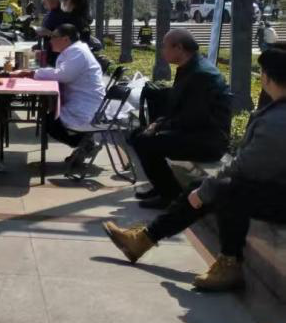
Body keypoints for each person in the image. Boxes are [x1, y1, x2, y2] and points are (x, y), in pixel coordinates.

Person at [104, 45, 286, 292]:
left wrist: (206, 190)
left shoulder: (278, 120)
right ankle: (144, 239)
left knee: (227, 190)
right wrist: (204, 188)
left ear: (267, 77)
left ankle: (230, 263)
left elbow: (246, 166)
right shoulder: (277, 110)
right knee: (205, 186)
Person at [128, 28, 232, 208]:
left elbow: (194, 117)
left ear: (179, 48)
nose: (162, 50)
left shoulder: (201, 74)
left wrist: (159, 127)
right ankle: (162, 187)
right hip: (197, 133)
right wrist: (158, 123)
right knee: (138, 135)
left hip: (208, 141)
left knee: (146, 143)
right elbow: (179, 109)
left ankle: (169, 195)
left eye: (165, 46)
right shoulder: (189, 68)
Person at [29, 23, 106, 169]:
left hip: (86, 104)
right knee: (49, 119)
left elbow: (64, 75)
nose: (50, 41)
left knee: (51, 122)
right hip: (81, 100)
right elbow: (62, 72)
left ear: (65, 39)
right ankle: (85, 144)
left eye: (54, 37)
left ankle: (86, 144)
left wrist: (35, 73)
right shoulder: (73, 51)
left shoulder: (78, 52)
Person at [35, 0, 74, 64]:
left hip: (58, 56)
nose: (43, 1)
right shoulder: (51, 13)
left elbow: (65, 36)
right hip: (49, 54)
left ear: (53, 0)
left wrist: (48, 33)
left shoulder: (63, 14)